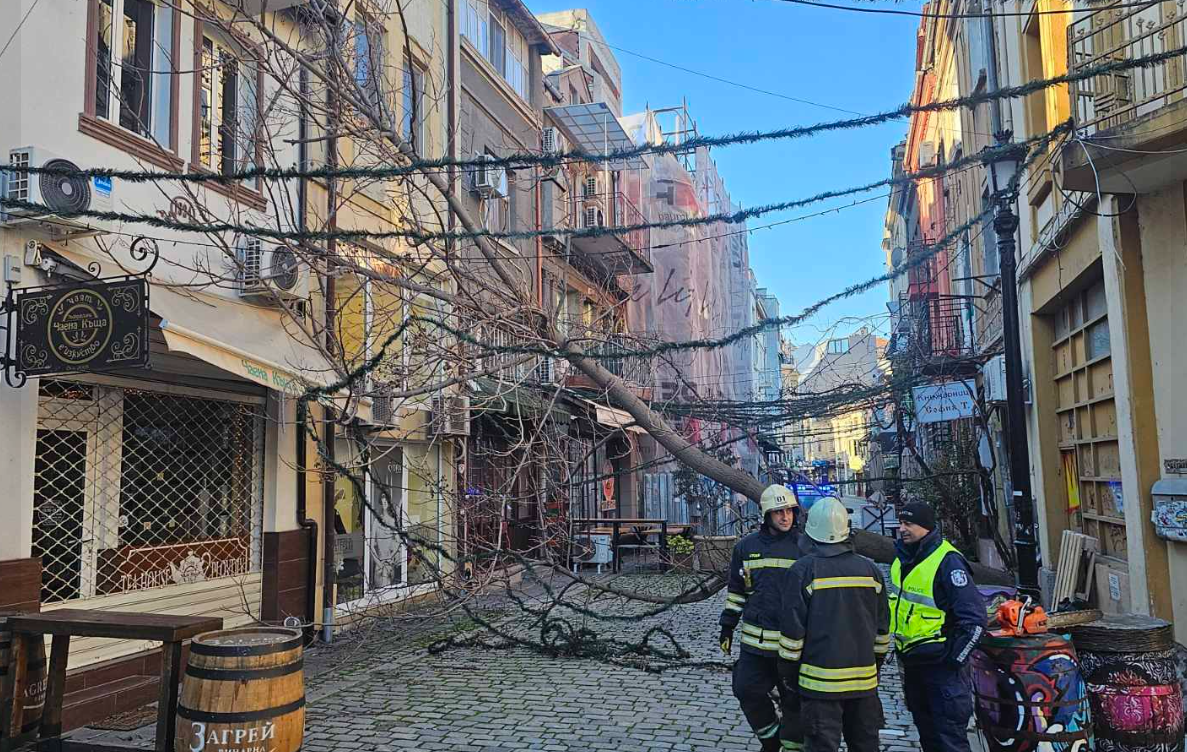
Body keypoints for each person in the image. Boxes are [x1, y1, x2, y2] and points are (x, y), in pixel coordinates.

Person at [777, 497, 890, 752]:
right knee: (865, 746)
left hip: (819, 689)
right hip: (864, 686)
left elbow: (792, 634)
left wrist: (788, 675)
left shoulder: (803, 571)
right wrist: (875, 667)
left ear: (810, 531)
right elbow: (882, 631)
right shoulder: (870, 571)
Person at [891, 502, 987, 752]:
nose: (902, 529)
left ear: (926, 526)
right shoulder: (903, 559)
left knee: (950, 741)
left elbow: (974, 620)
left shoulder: (948, 562)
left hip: (942, 669)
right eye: (901, 523)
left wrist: (954, 659)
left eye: (908, 524)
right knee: (929, 737)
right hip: (914, 665)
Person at [719, 484, 807, 752]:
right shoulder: (746, 548)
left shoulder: (805, 547)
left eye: (789, 511)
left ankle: (792, 746)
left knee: (795, 704)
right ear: (766, 515)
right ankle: (771, 740)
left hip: (792, 647)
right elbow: (737, 590)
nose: (785, 517)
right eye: (778, 512)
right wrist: (727, 625)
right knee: (746, 689)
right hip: (755, 646)